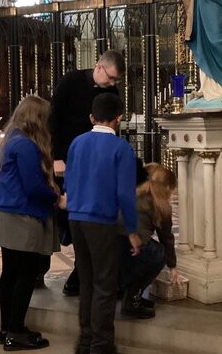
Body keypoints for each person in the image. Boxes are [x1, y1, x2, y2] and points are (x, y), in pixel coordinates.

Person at [44, 49, 126, 296]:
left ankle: (81, 273)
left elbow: (114, 126)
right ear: (99, 67)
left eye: (115, 81)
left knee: (86, 218)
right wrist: (56, 156)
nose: (111, 84)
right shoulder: (71, 81)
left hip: (94, 162)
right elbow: (53, 118)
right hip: (66, 159)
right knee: (64, 217)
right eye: (110, 78)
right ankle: (43, 268)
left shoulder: (110, 92)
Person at [65, 93, 142, 354]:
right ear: (119, 118)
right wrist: (132, 230)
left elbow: (69, 181)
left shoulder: (77, 142)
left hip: (76, 218)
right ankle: (101, 346)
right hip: (101, 221)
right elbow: (125, 195)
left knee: (86, 282)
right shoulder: (121, 149)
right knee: (105, 285)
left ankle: (84, 341)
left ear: (91, 117)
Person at [0, 95, 61, 351]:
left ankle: (7, 327)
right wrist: (56, 196)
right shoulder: (26, 145)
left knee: (10, 273)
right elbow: (32, 187)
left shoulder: (11, 138)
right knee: (25, 275)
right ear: (37, 119)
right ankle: (15, 332)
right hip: (20, 215)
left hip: (5, 212)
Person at [119, 163, 180, 319]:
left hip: (112, 240)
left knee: (148, 254)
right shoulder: (161, 204)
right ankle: (132, 300)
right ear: (167, 187)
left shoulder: (137, 192)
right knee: (157, 254)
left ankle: (131, 295)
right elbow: (166, 238)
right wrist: (173, 267)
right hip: (133, 243)